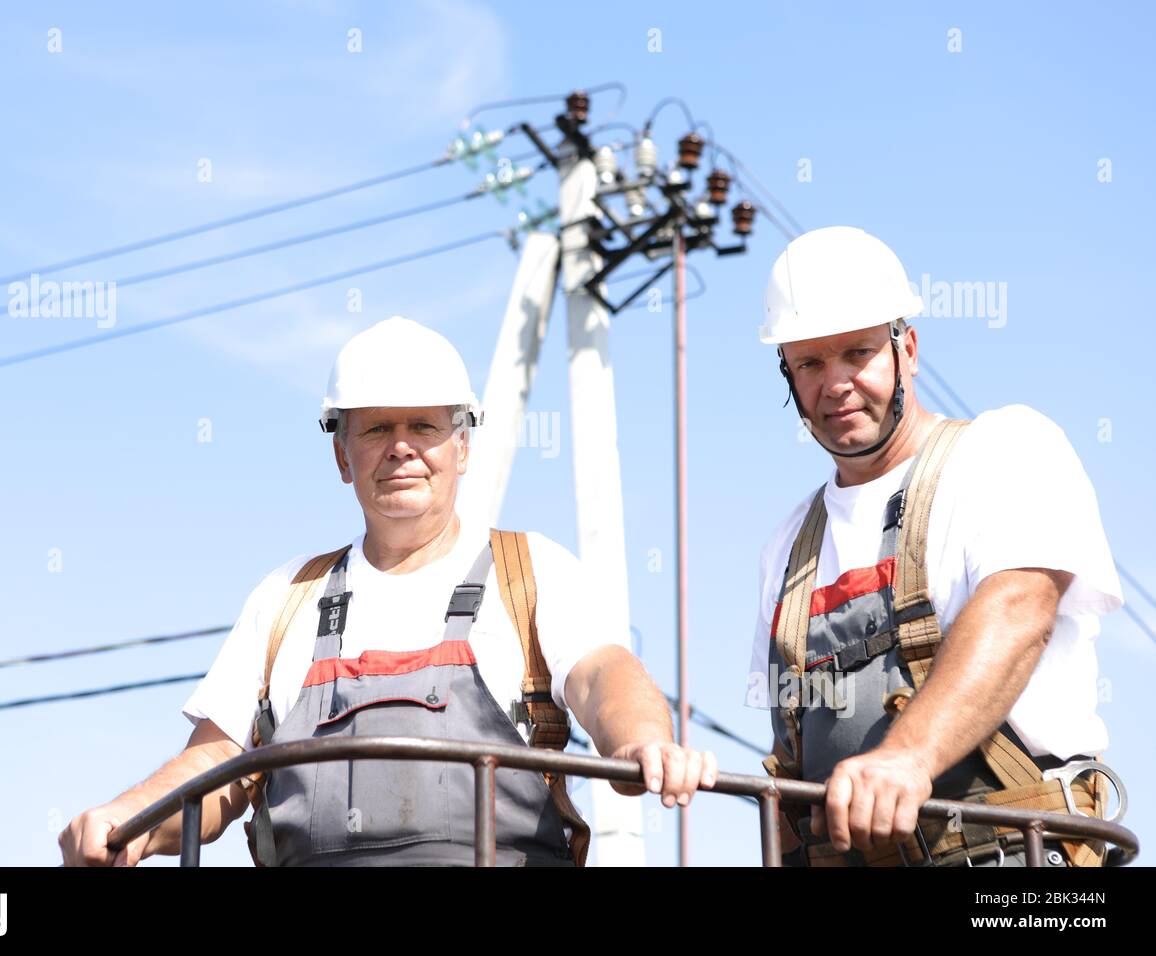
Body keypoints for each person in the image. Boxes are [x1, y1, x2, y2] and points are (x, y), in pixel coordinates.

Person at [61, 315, 716, 867]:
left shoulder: (531, 571)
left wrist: (639, 740)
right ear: (342, 455)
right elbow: (214, 763)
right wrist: (130, 820)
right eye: (376, 429)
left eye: (424, 427)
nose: (401, 448)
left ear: (462, 446)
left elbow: (602, 674)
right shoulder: (288, 597)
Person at [746, 226, 1125, 867]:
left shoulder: (1005, 451)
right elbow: (791, 754)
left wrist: (907, 757)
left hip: (1016, 858)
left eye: (857, 353)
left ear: (908, 350)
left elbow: (1017, 612)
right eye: (810, 362)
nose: (835, 384)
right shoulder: (788, 548)